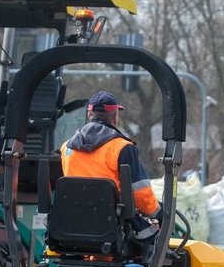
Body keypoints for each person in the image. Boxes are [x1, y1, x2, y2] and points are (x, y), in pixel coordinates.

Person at [60, 90, 162, 243]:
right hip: (111, 229)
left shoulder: (66, 148)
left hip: (71, 226)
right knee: (158, 240)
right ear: (115, 117)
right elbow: (140, 194)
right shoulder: (122, 147)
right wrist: (158, 213)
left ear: (89, 115)